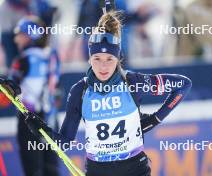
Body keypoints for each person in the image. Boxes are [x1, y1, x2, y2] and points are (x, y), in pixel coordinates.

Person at [23, 11, 192, 176]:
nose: (103, 67)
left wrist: (156, 119)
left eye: (109, 59)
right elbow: (64, 143)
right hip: (98, 170)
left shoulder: (133, 82)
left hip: (135, 168)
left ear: (118, 59)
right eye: (97, 59)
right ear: (89, 59)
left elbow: (183, 85)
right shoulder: (80, 91)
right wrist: (41, 131)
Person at [9, 15, 60, 176]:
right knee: (51, 168)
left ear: (30, 35)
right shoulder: (53, 56)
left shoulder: (23, 60)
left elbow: (9, 91)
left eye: (20, 34)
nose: (16, 39)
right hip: (51, 118)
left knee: (33, 170)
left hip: (28, 120)